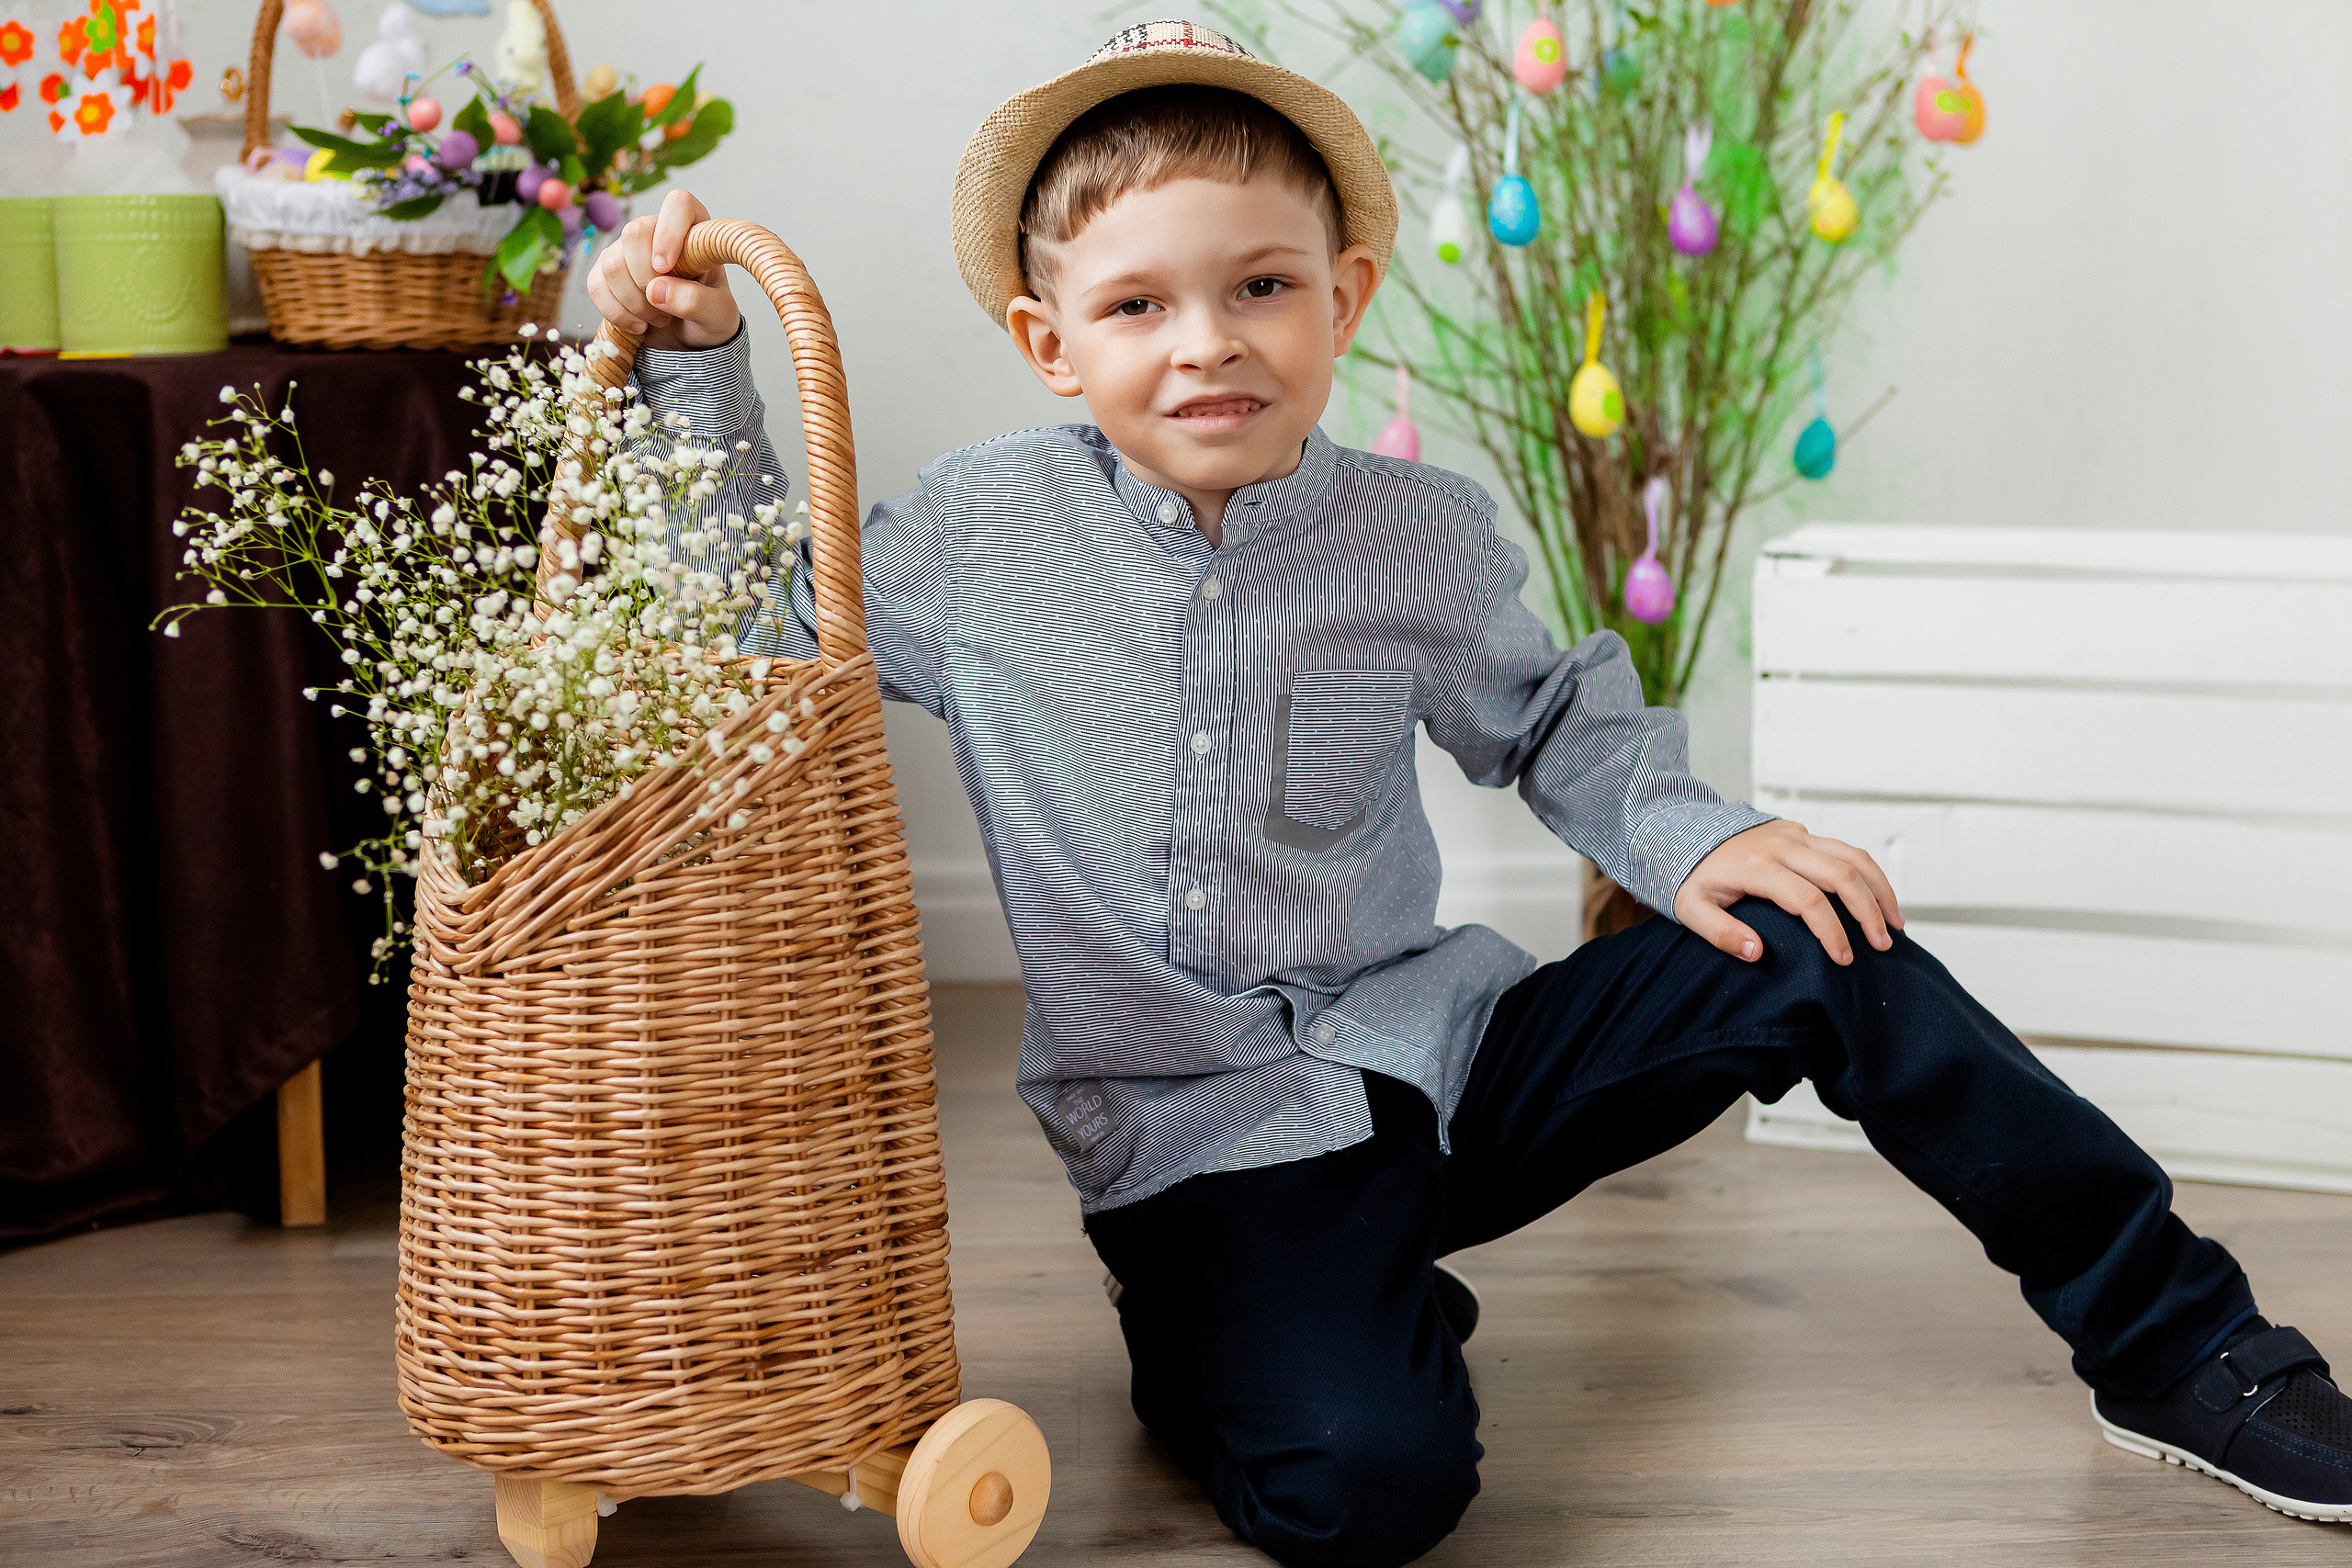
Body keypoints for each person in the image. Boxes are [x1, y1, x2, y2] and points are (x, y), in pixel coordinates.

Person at [584, 20, 2351, 1563]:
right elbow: (751, 615)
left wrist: (1701, 834)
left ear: (1343, 295)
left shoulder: (1416, 541)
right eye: (1138, 306)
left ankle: (2186, 1348)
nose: (1208, 343)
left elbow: (1556, 725)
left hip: (1440, 1061)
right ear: (1054, 347)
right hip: (1202, 1140)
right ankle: (1227, 1341)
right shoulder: (974, 539)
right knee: (1369, 1496)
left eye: (1260, 285)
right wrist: (692, 363)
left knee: (1830, 937)